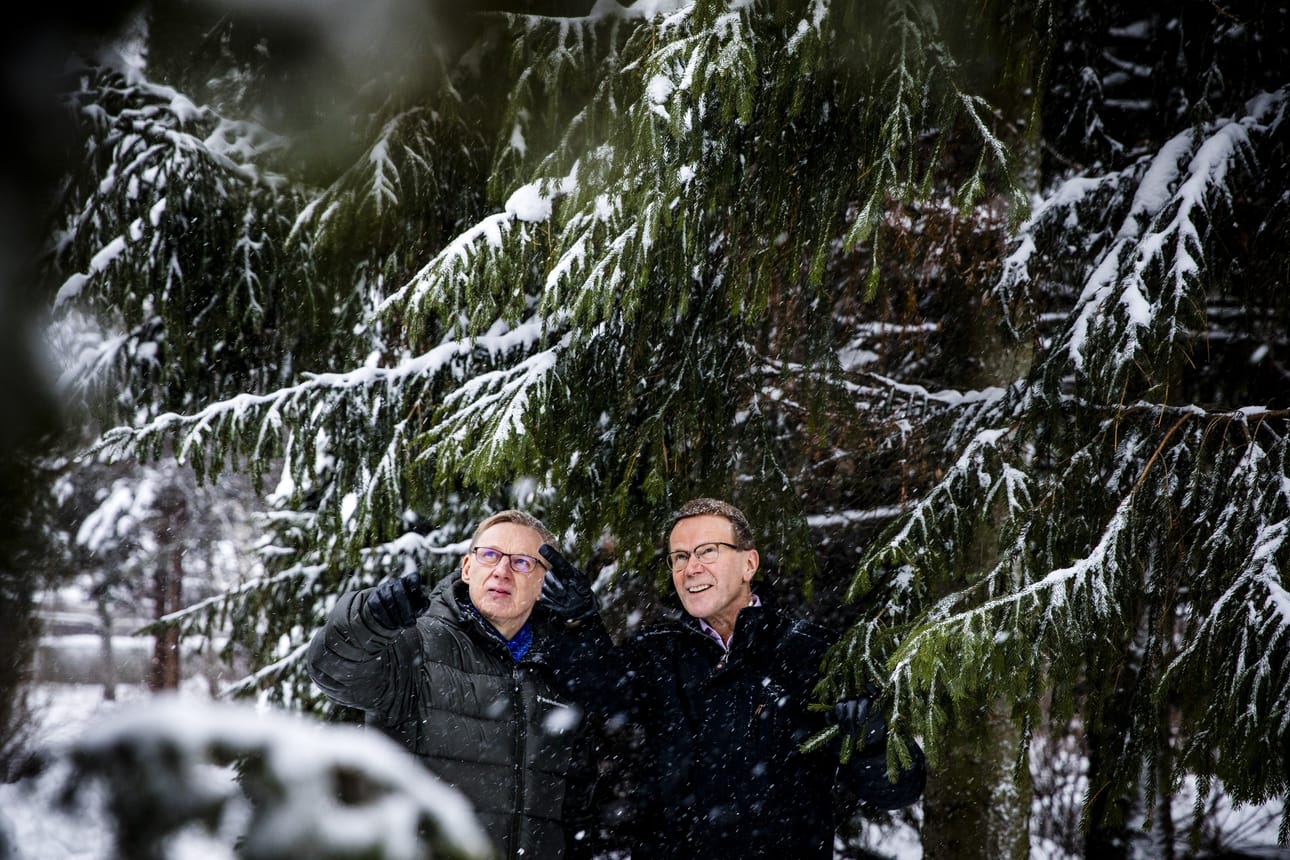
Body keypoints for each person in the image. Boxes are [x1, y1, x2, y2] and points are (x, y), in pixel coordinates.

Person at [618, 497, 926, 860]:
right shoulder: (653, 654)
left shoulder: (813, 652)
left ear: (749, 563)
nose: (692, 568)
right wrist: (579, 625)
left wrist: (873, 742)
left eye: (707, 551)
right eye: (680, 557)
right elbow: (590, 695)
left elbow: (898, 790)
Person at [307, 509, 606, 860]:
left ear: (544, 584)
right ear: (467, 568)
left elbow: (585, 791)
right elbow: (334, 670)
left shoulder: (559, 666)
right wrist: (367, 621)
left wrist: (585, 627)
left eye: (523, 562)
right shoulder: (416, 643)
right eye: (490, 555)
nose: (501, 571)